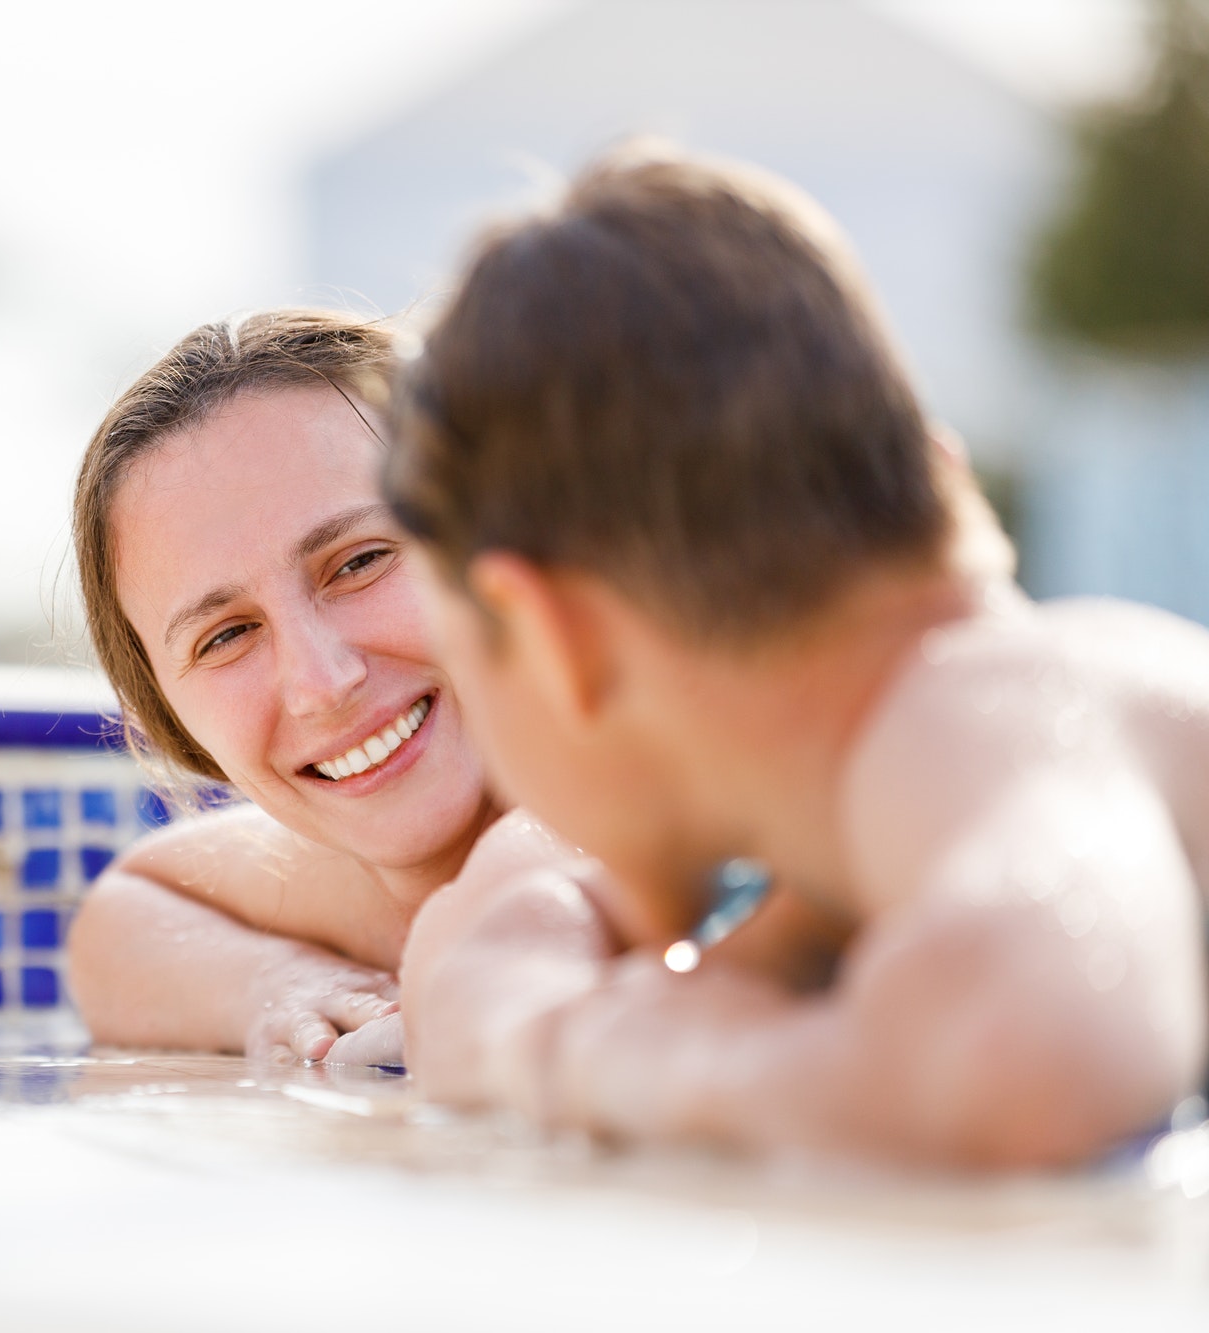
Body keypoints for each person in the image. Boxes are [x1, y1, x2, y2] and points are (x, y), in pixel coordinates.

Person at [385, 146, 1209, 1169]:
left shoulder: (979, 712)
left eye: (463, 652)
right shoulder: (872, 803)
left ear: (557, 636)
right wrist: (537, 1028)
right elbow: (491, 959)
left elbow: (1029, 1059)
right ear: (934, 473)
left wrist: (621, 1063)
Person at [65, 311, 562, 1065]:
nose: (323, 683)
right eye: (226, 635)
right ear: (164, 713)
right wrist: (274, 983)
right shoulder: (339, 886)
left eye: (360, 561)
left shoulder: (660, 817)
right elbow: (120, 918)